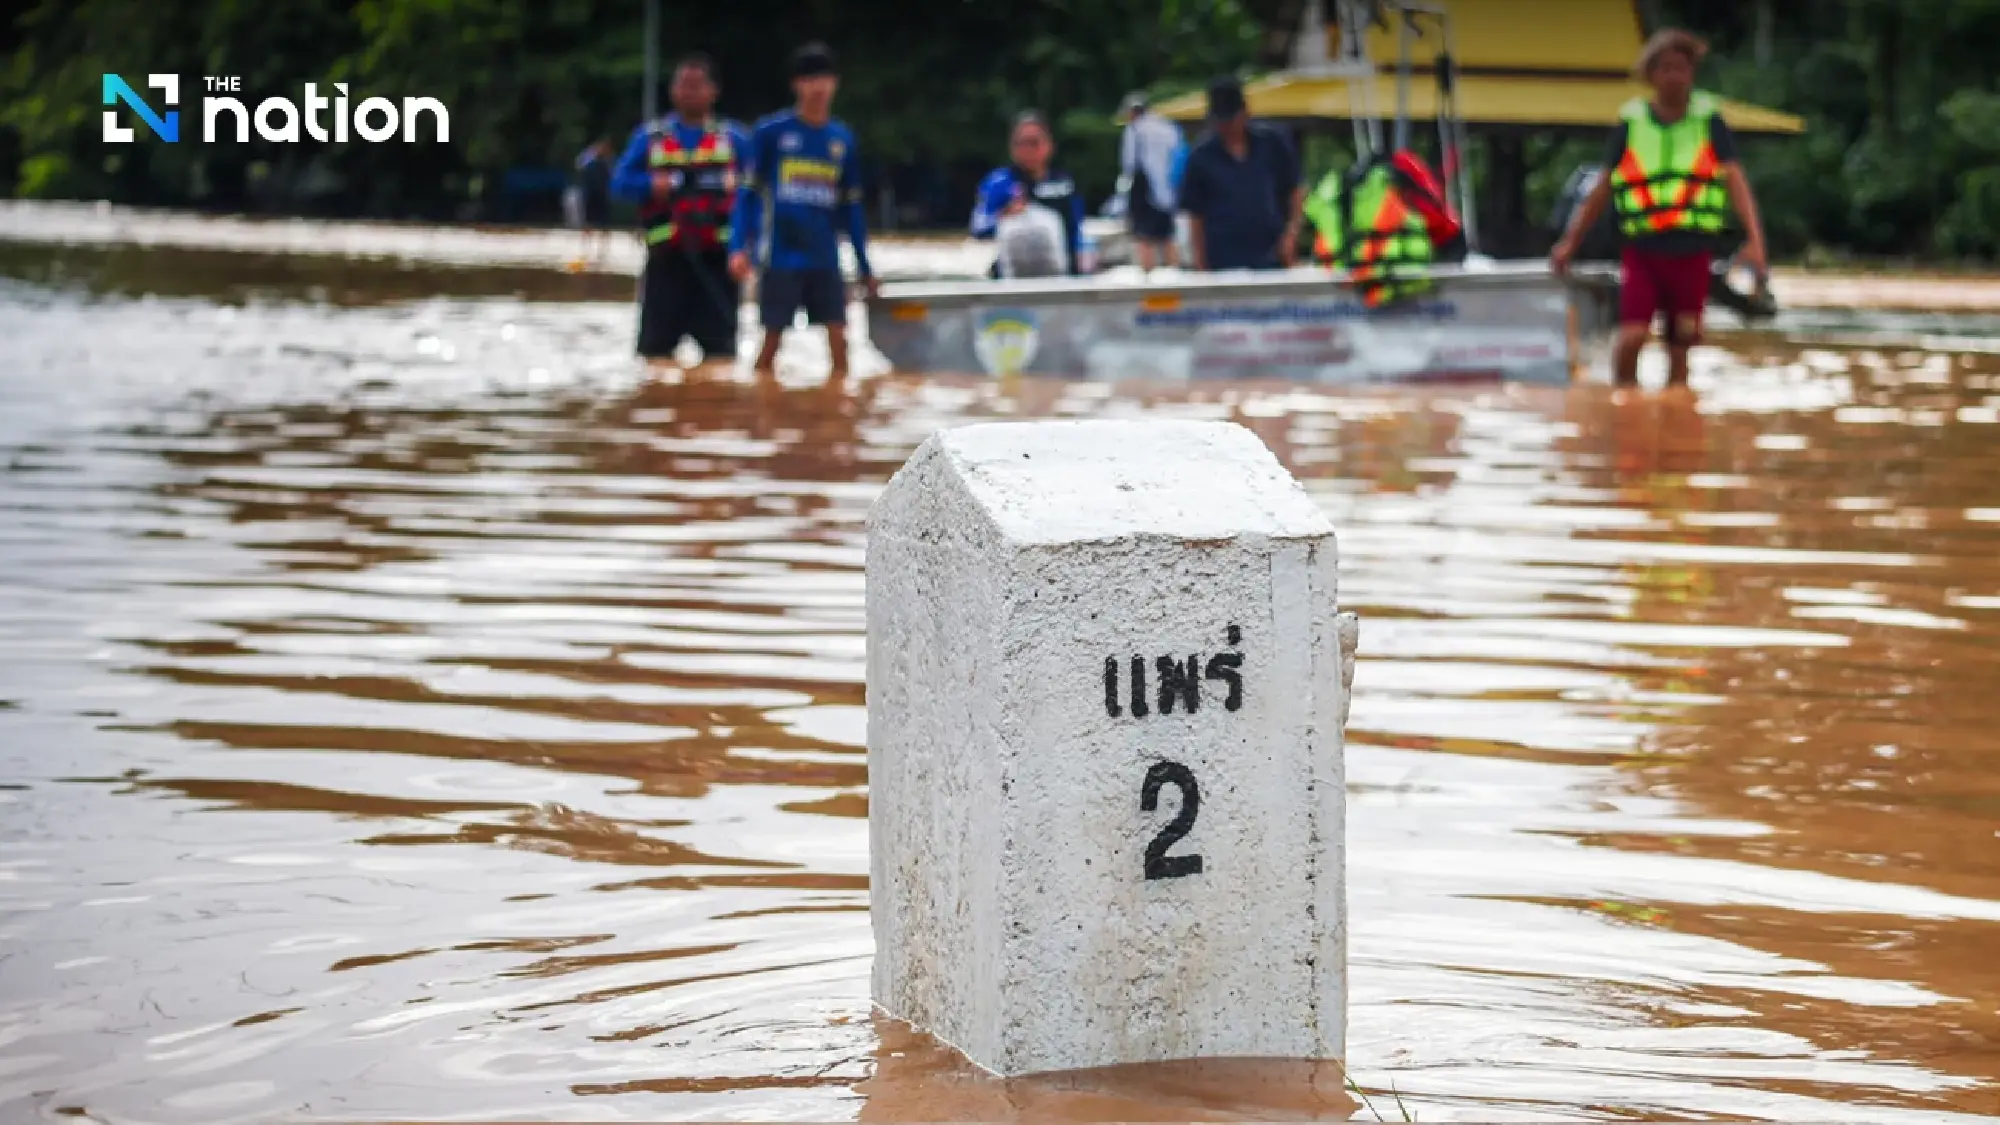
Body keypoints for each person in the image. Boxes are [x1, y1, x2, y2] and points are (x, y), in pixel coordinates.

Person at [1551, 28, 1767, 389]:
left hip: (1693, 248)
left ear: (1692, 73)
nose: (1673, 76)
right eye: (1665, 68)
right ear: (1651, 74)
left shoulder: (1709, 120)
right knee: (1632, 336)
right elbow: (1602, 188)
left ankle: (1676, 417)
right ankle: (1625, 402)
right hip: (1643, 248)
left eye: (1681, 68)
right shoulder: (1632, 122)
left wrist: (1756, 242)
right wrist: (1570, 243)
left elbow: (1736, 182)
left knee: (1681, 342)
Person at [729, 42, 878, 381]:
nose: (818, 88)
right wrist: (740, 247)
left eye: (824, 79)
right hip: (781, 256)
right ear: (796, 84)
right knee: (770, 343)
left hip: (825, 258)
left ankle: (837, 415)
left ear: (835, 83)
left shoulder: (842, 139)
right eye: (810, 80)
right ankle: (761, 410)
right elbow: (748, 196)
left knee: (841, 342)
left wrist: (864, 264)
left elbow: (850, 209)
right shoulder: (771, 133)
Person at [611, 55, 750, 369]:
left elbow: (756, 193)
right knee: (654, 359)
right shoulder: (649, 138)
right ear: (672, 91)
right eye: (683, 85)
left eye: (697, 85)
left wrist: (747, 247)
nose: (689, 92)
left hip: (718, 265)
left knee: (722, 360)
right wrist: (652, 184)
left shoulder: (735, 139)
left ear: (714, 91)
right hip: (666, 262)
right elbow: (619, 185)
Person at [1304, 150, 1463, 308]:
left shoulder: (1338, 189)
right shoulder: (1404, 175)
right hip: (1407, 288)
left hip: (1350, 292)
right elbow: (1446, 228)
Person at [1176, 76, 1303, 272]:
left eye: (1230, 120)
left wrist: (1291, 234)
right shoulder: (1200, 157)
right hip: (1222, 256)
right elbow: (1195, 214)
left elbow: (1294, 191)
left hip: (1270, 252)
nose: (1226, 127)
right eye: (1220, 121)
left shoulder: (1273, 143)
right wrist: (1200, 262)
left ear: (1245, 113)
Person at [970, 111, 1084, 279]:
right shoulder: (999, 183)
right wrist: (1005, 214)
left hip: (1060, 274)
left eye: (1034, 143)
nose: (1027, 150)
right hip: (1013, 274)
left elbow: (1076, 230)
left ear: (1049, 145)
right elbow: (978, 227)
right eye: (1021, 143)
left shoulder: (1065, 183)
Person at [1118, 93, 1183, 270]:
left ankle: (1148, 276)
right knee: (1168, 235)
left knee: (1144, 236)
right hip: (1168, 187)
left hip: (1144, 185)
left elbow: (1129, 162)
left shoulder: (1135, 129)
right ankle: (1174, 273)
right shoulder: (1167, 127)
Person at [569, 138, 615, 265]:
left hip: (602, 196)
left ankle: (603, 251)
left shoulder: (608, 162)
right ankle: (586, 249)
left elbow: (614, 177)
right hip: (590, 196)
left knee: (604, 224)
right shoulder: (588, 160)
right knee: (588, 223)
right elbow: (578, 165)